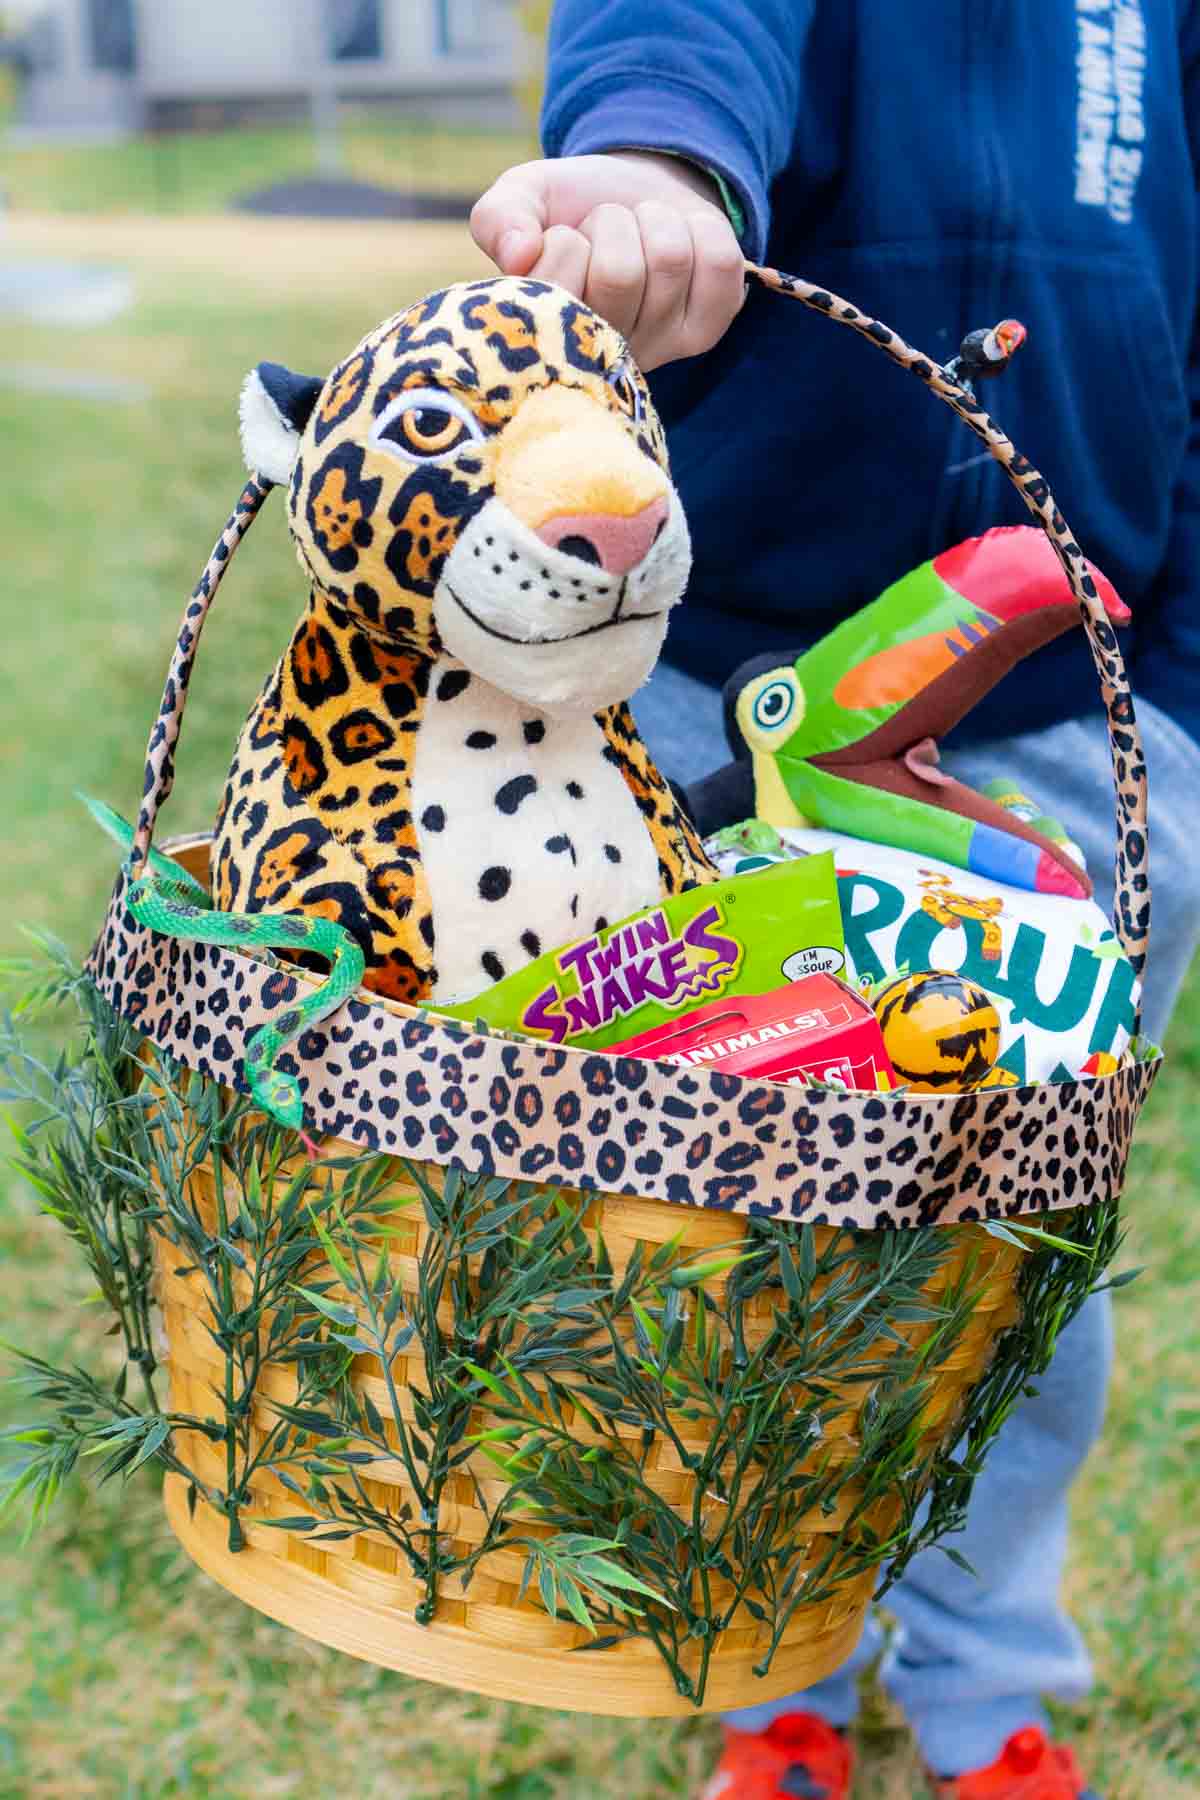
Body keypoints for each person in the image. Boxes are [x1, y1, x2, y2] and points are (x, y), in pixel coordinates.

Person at [471, 5, 1200, 1797]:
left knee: (1008, 1271)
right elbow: (688, 34)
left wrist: (1174, 725)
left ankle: (984, 1675)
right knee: (721, 1254)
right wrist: (656, 166)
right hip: (717, 714)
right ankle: (757, 1666)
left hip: (1056, 743)